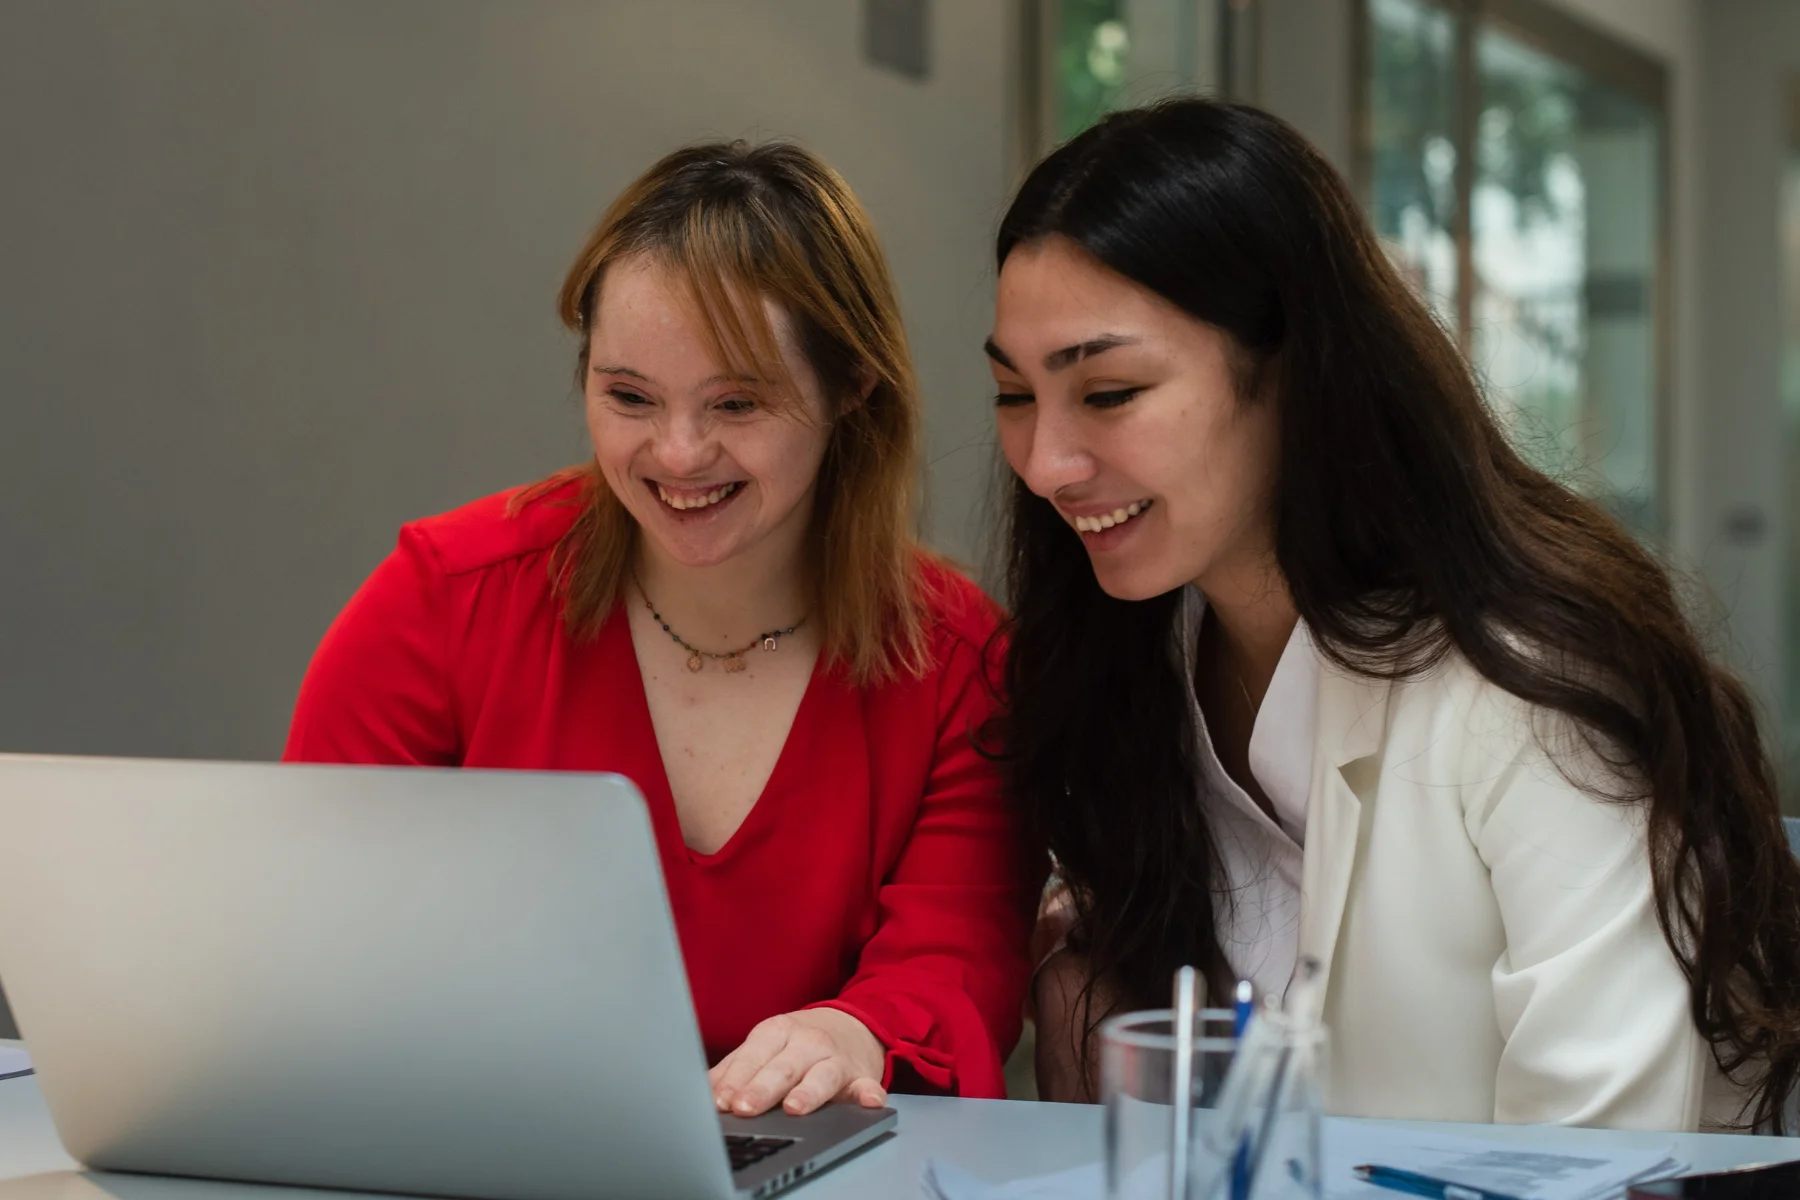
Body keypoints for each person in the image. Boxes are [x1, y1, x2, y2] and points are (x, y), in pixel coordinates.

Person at [985, 97, 1800, 1131]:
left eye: (1108, 392)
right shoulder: (1135, 657)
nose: (1047, 464)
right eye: (1014, 394)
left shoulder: (1534, 687)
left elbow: (1598, 1155)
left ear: (1293, 372)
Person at [286, 140, 1039, 1117]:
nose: (679, 455)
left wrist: (852, 1032)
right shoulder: (444, 596)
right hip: (480, 1145)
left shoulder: (957, 659)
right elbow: (310, 917)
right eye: (630, 397)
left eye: (737, 401)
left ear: (852, 385)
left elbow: (954, 960)